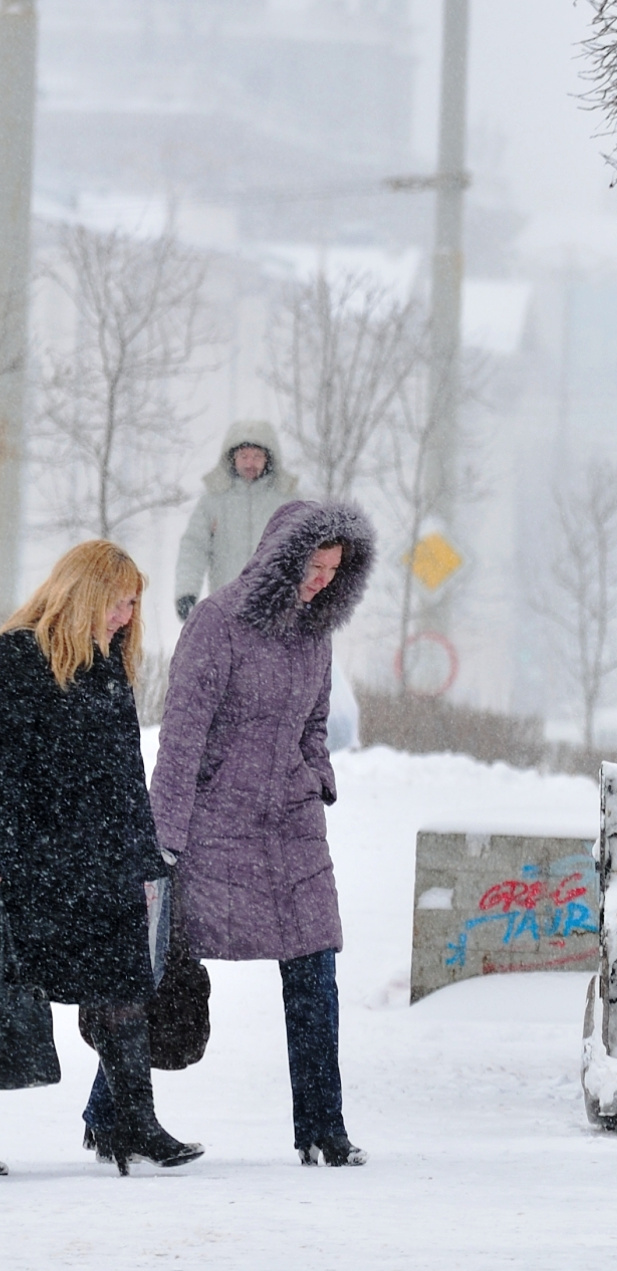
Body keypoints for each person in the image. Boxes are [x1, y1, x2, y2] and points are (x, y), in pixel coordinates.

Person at [151, 498, 374, 1168]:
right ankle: (112, 1111)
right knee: (163, 971)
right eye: (314, 564)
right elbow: (182, 734)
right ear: (283, 554)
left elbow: (314, 724)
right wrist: (163, 838)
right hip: (216, 825)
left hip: (293, 827)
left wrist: (318, 777)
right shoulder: (219, 621)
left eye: (335, 570)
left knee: (315, 968)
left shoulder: (317, 631)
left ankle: (322, 1127)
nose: (321, 580)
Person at [0, 541, 204, 1174]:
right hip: (31, 865)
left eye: (134, 603)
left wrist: (146, 857)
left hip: (105, 863)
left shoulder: (109, 664)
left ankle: (133, 1128)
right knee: (7, 996)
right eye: (119, 601)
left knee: (121, 991)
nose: (126, 615)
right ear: (84, 592)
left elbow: (123, 773)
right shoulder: (15, 660)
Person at [171, 420, 299, 622]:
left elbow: (308, 550)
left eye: (257, 456)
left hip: (276, 609)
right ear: (232, 458)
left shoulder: (288, 500)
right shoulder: (213, 501)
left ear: (269, 458)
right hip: (227, 609)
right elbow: (194, 546)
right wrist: (187, 591)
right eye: (244, 456)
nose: (250, 463)